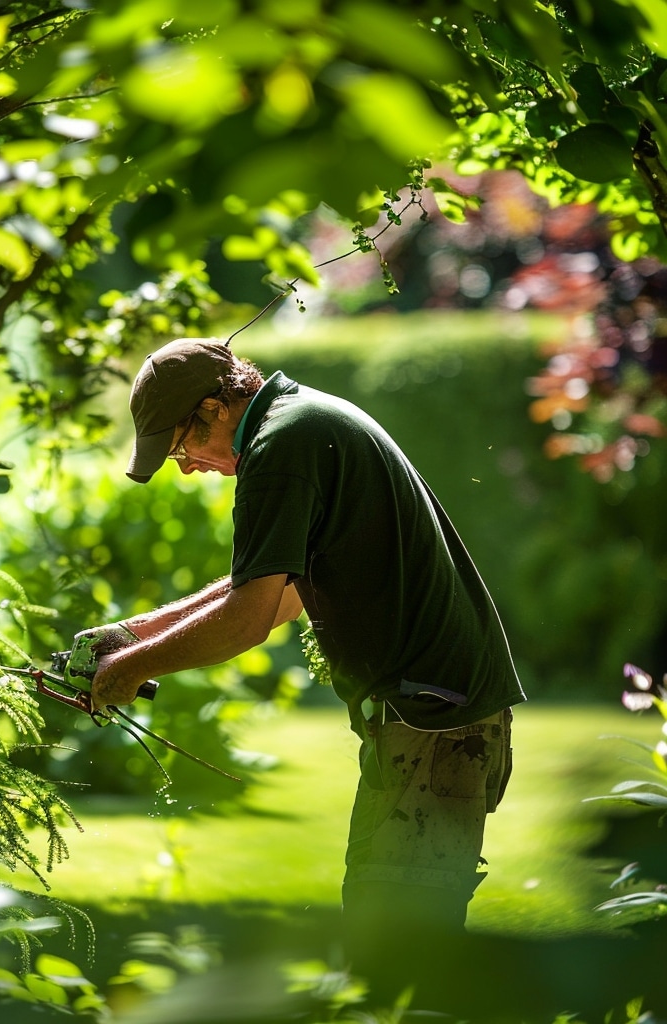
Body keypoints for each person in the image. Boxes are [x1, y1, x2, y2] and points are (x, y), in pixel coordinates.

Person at [86, 337, 526, 969]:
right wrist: (138, 634)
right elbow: (283, 591)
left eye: (180, 446)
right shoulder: (296, 421)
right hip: (430, 716)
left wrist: (127, 670)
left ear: (214, 409)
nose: (185, 467)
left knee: (400, 959)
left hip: (433, 718)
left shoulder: (279, 447)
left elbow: (249, 619)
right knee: (388, 940)